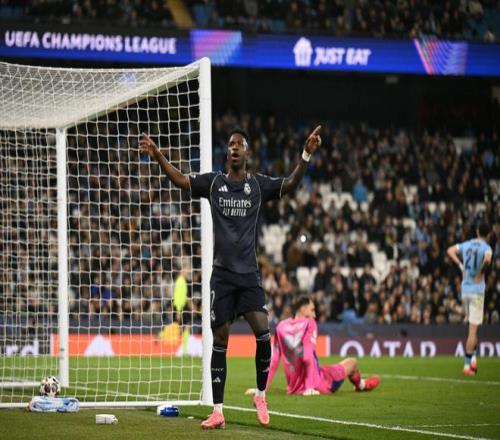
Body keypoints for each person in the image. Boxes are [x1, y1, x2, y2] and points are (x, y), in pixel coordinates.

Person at [139, 125, 322, 429]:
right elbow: (181, 180)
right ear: (228, 153)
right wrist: (158, 154)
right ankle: (218, 411)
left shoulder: (257, 185)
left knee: (263, 333)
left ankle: (260, 395)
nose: (234, 147)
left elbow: (290, 184)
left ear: (247, 153)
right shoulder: (214, 183)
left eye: (240, 144)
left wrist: (305, 154)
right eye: (231, 144)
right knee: (220, 340)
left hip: (248, 276)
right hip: (222, 276)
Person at [246, 295, 380, 397]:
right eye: (312, 310)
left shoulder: (281, 326)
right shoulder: (309, 323)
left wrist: (261, 388)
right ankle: (362, 385)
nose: (314, 315)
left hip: (294, 386)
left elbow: (274, 360)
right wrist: (310, 387)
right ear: (303, 309)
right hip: (320, 382)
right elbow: (307, 355)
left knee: (334, 366)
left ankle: (361, 385)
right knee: (352, 362)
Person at [447, 222, 493, 376]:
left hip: (465, 290)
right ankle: (467, 366)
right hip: (477, 291)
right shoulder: (487, 248)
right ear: (488, 235)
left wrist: (461, 265)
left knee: (474, 329)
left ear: (477, 231)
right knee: (472, 332)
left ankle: (473, 359)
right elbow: (487, 260)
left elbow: (450, 251)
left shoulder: (466, 244)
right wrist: (481, 272)